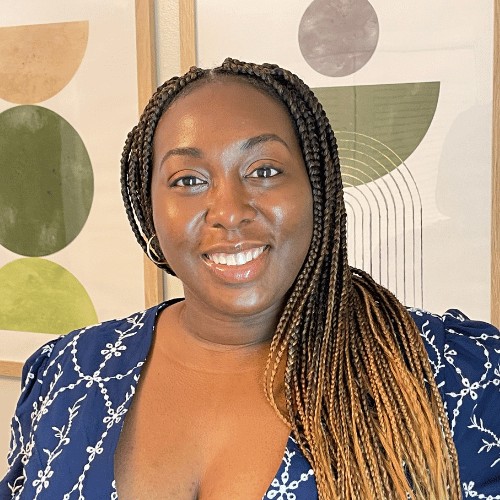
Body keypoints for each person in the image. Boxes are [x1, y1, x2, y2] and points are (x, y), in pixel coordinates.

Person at [1, 58, 499, 500]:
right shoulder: (67, 373)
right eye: (188, 180)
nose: (230, 211)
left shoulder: (459, 377)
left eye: (264, 171)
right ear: (149, 208)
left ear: (318, 189)